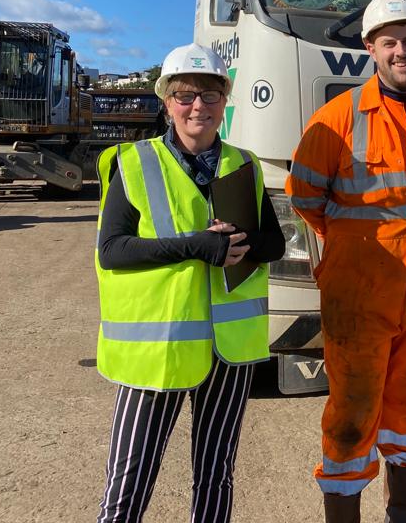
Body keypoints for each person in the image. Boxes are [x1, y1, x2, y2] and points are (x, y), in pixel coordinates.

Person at [286, 0, 406, 523]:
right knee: (352, 412)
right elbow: (304, 195)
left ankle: (403, 514)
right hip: (359, 289)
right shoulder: (337, 118)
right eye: (389, 42)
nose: (401, 51)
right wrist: (354, 246)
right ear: (370, 48)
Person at [94, 43, 286, 523]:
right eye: (185, 95)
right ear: (167, 102)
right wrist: (195, 246)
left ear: (224, 103)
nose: (197, 105)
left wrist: (241, 241)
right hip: (159, 348)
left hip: (229, 350)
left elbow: (274, 244)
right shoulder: (134, 162)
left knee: (216, 473)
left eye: (210, 95)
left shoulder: (244, 164)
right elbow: (112, 250)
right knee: (129, 482)